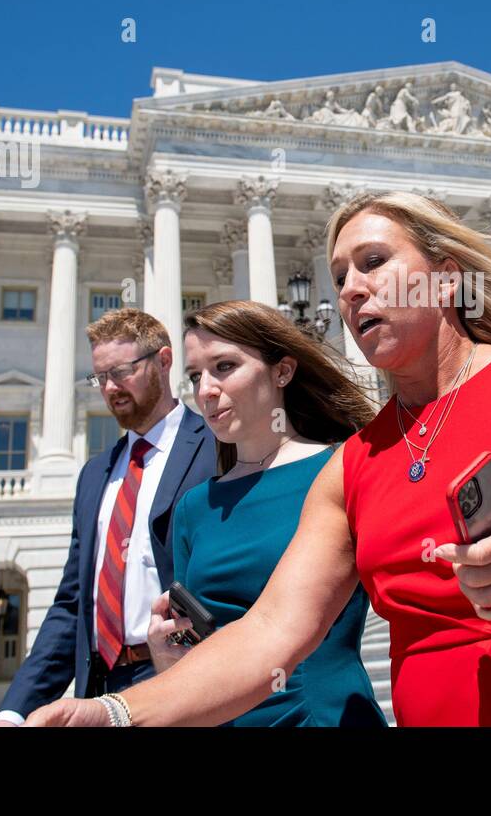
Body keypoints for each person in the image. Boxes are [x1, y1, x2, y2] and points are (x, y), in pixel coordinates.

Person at [26, 190, 491, 727]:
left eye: (373, 262)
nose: (350, 289)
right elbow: (270, 633)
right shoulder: (354, 464)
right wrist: (116, 712)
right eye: (338, 276)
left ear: (446, 280)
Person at [146, 300, 386, 726]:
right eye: (196, 375)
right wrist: (168, 661)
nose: (205, 390)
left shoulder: (343, 470)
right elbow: (196, 648)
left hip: (324, 717)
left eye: (224, 366)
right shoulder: (192, 508)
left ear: (283, 371)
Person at [0, 309, 219, 725]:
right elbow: (72, 603)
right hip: (99, 682)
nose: (110, 388)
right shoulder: (94, 474)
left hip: (177, 674)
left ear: (164, 361)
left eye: (121, 372)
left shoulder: (216, 448)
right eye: (100, 377)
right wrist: (13, 711)